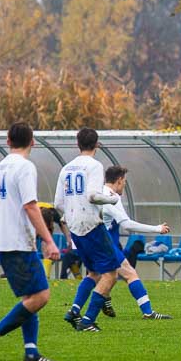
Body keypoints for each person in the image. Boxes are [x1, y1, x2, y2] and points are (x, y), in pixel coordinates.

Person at [0, 122, 60, 361]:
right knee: (41, 296)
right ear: (32, 142)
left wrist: (7, 212)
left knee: (30, 297)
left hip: (1, 240)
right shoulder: (25, 167)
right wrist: (49, 240)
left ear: (8, 141)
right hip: (18, 241)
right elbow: (30, 206)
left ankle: (31, 352)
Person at [67, 165, 172, 322]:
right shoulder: (111, 197)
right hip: (104, 242)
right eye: (124, 181)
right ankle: (147, 312)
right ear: (119, 180)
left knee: (94, 275)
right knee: (129, 273)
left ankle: (75, 310)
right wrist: (157, 229)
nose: (124, 185)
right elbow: (127, 224)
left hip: (87, 240)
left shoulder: (97, 191)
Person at [56, 128, 122, 332]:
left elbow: (58, 203)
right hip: (91, 225)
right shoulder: (94, 165)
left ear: (77, 144)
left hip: (74, 226)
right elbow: (93, 196)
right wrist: (111, 199)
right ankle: (88, 320)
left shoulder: (66, 168)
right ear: (97, 145)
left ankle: (74, 311)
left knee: (93, 272)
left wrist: (72, 213)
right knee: (111, 274)